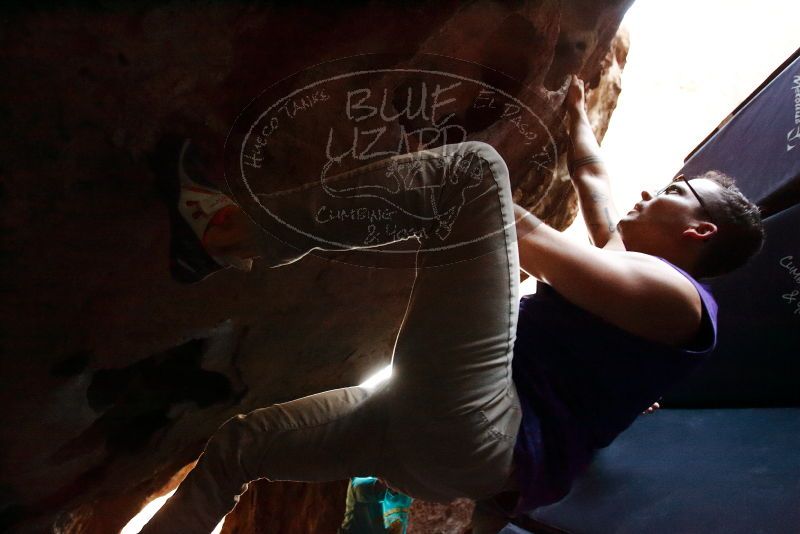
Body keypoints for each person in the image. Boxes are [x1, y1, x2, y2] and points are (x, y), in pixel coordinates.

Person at [139, 76, 764, 533]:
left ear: (700, 231)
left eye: (679, 190)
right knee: (241, 445)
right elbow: (596, 179)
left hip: (482, 426)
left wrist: (481, 220)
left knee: (473, 173)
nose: (656, 189)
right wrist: (576, 116)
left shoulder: (682, 302)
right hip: (433, 443)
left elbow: (528, 238)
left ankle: (226, 235)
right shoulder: (634, 280)